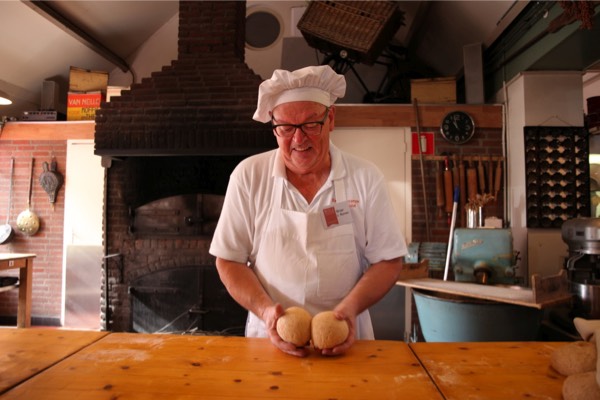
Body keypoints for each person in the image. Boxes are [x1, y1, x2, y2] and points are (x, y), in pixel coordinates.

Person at [209, 65, 408, 357]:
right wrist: (266, 313)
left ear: (331, 120)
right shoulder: (249, 176)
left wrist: (349, 311)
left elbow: (389, 260)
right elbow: (229, 261)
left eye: (310, 124)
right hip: (268, 343)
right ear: (274, 127)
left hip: (347, 342)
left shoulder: (365, 178)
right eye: (286, 128)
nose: (298, 139)